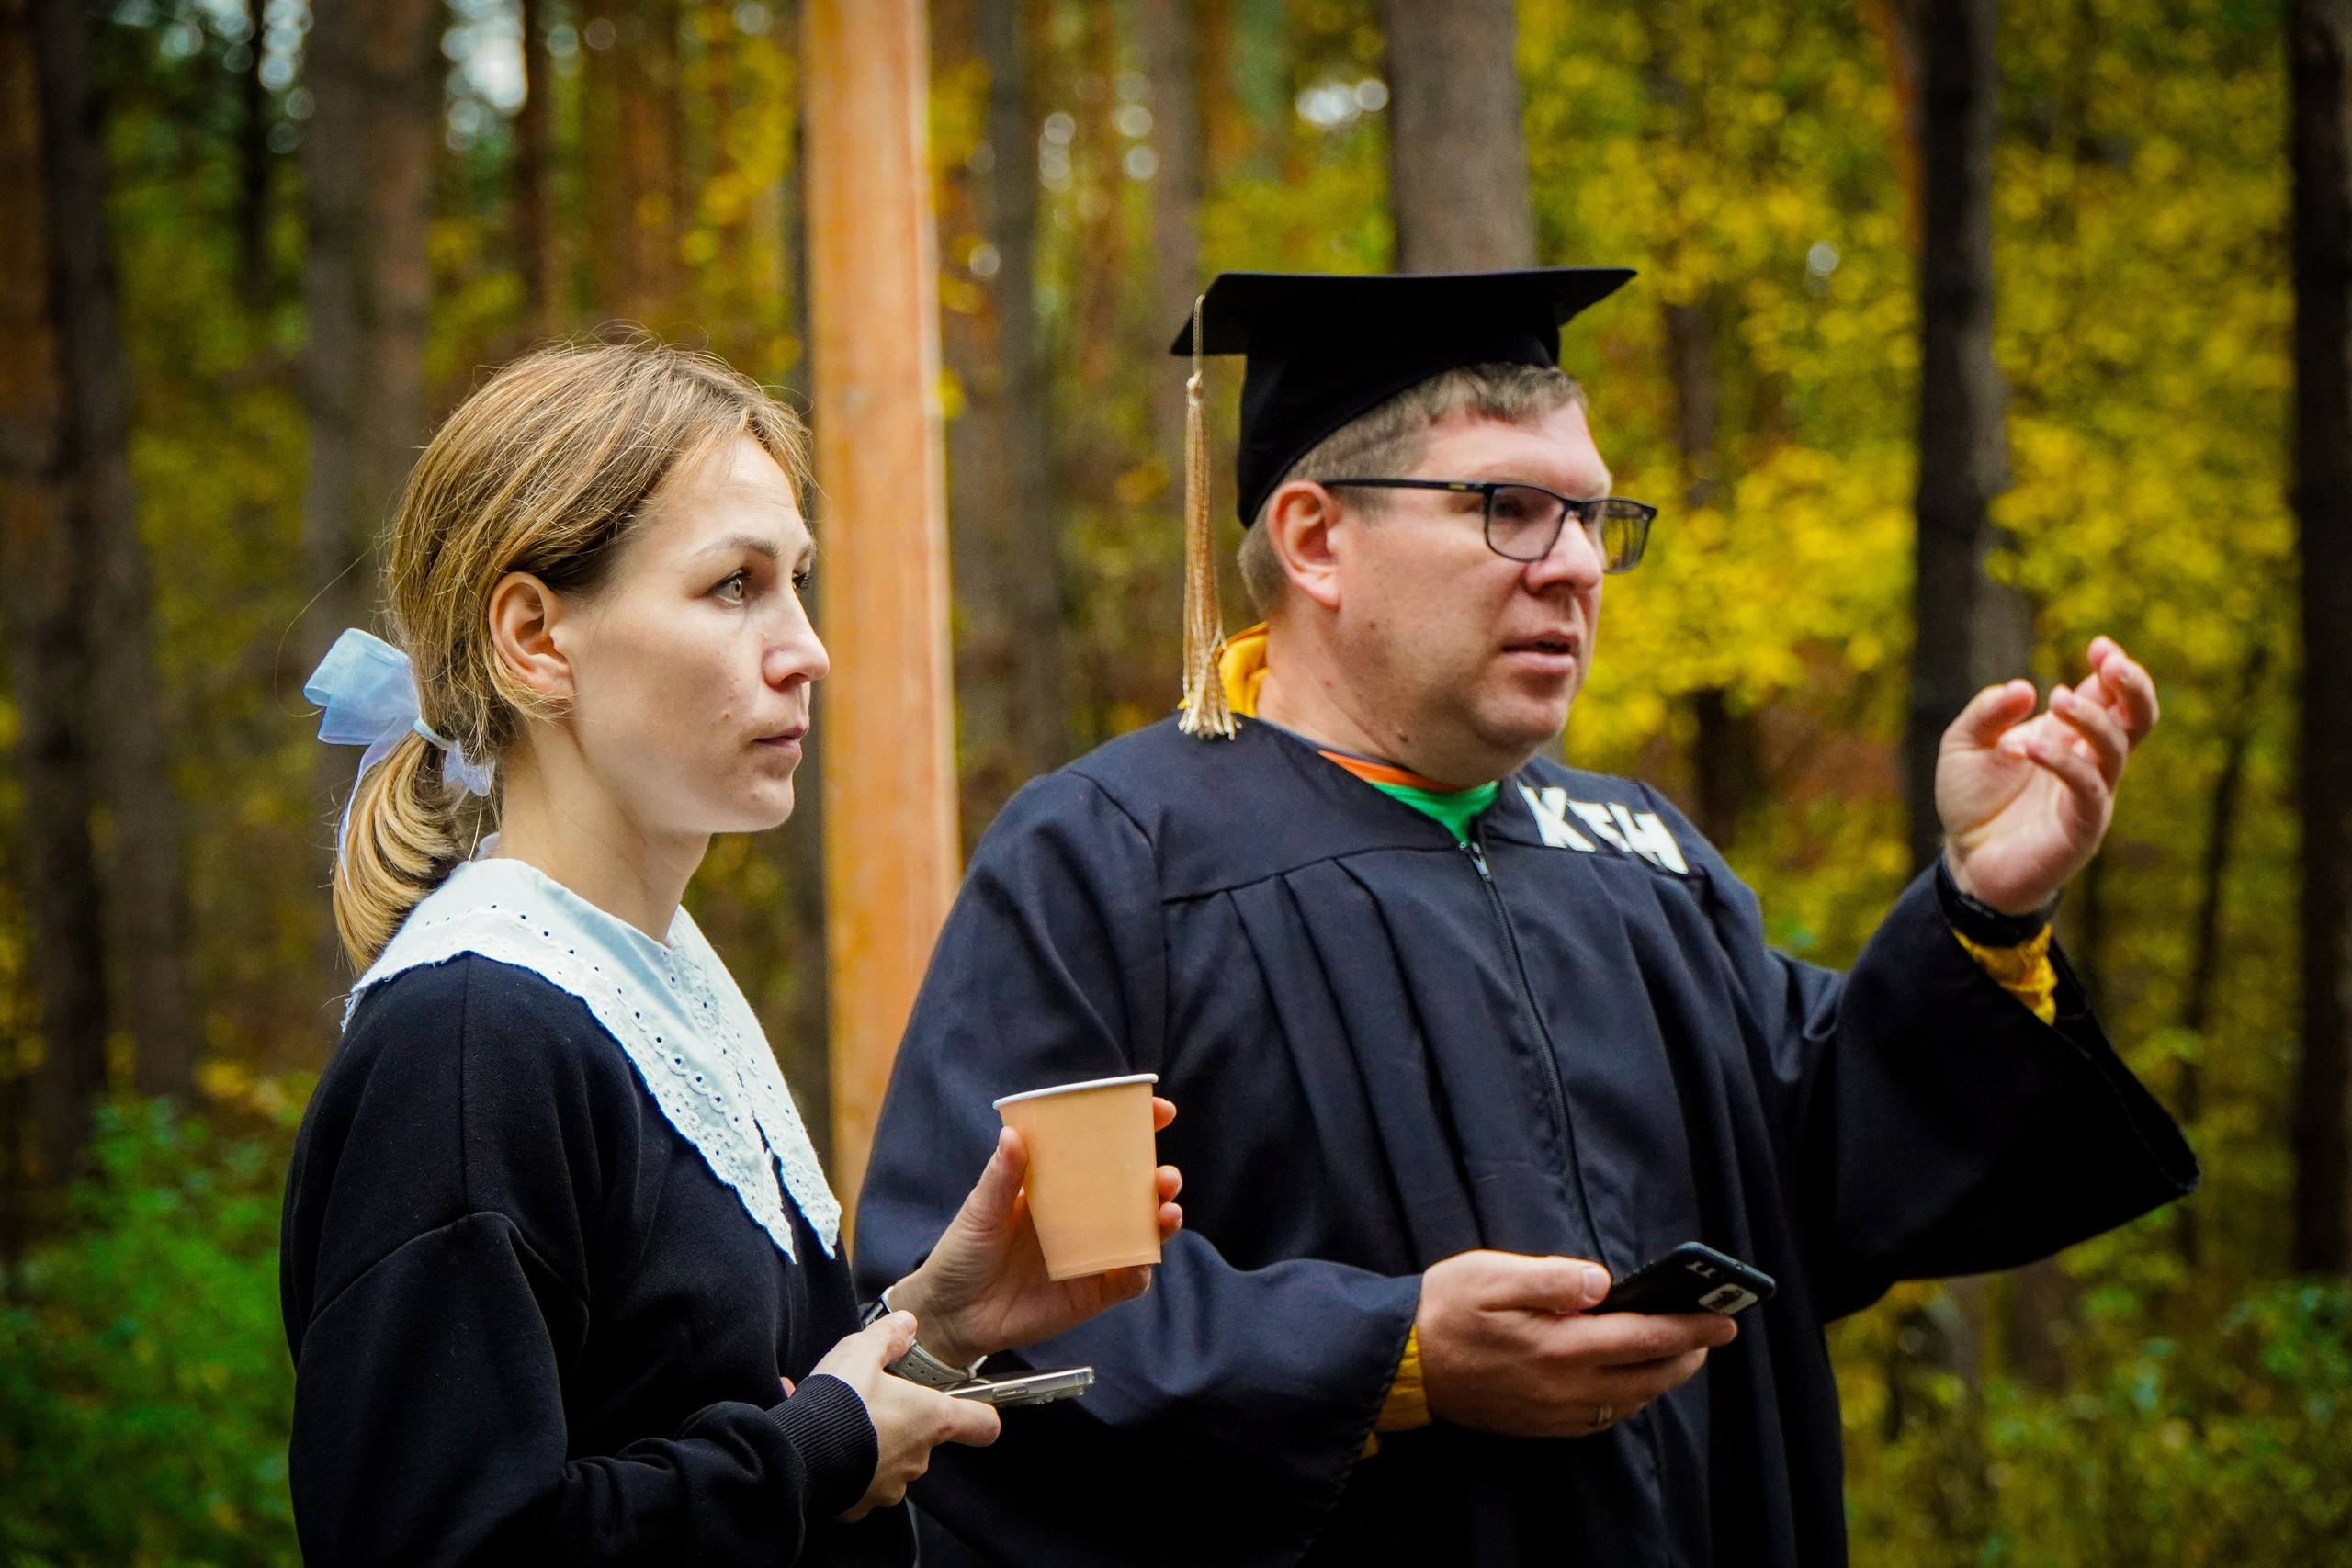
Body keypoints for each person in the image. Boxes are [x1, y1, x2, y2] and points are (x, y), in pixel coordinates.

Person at [854, 269, 2196, 1568]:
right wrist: (1394, 1353)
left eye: (1594, 519)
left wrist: (1983, 907)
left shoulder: (1639, 854)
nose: (1573, 570)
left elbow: (1825, 1167)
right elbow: (1023, 1295)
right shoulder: (1121, 856)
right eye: (1508, 508)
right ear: (1319, 540)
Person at [278, 341, 1183, 1568]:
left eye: (797, 581)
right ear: (537, 637)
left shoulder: (654, 984)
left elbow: (694, 1412)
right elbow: (442, 1546)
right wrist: (815, 1448)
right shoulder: (472, 1040)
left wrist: (931, 1328)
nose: (805, 648)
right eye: (733, 586)